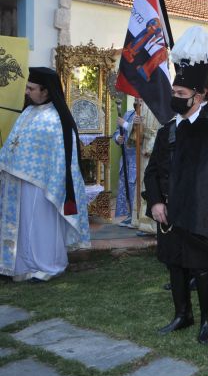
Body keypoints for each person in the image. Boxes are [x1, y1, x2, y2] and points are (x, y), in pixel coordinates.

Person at [144, 26, 208, 344]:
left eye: (182, 96)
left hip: (198, 214)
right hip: (168, 215)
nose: (175, 99)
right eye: (174, 93)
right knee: (175, 266)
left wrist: (182, 207)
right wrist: (156, 202)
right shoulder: (166, 130)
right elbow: (152, 171)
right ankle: (182, 315)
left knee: (201, 268)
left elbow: (204, 173)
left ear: (199, 96)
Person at [0, 67, 91, 282]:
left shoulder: (58, 120)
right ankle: (19, 265)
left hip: (44, 186)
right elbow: (15, 144)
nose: (26, 92)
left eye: (31, 88)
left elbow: (61, 159)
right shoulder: (28, 113)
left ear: (46, 91)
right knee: (22, 227)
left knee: (40, 226)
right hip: (19, 182)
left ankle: (48, 266)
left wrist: (49, 179)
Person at [113, 99, 143, 227]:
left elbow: (143, 133)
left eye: (139, 98)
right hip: (126, 158)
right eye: (135, 99)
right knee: (126, 186)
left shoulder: (147, 114)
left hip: (138, 158)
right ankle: (130, 215)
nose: (137, 101)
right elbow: (117, 131)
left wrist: (125, 124)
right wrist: (117, 138)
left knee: (136, 187)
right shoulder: (128, 114)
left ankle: (139, 218)